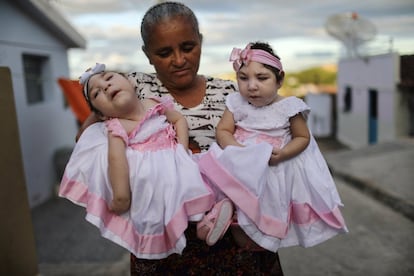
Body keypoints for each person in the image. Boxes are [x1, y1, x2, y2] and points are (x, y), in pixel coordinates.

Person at [78, 2, 285, 274]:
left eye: (188, 47)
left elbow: (271, 135)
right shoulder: (129, 87)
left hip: (237, 244)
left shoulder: (232, 93)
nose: (178, 60)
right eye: (164, 52)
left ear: (200, 41)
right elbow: (88, 140)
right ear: (147, 54)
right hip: (161, 245)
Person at [59, 63, 234, 260]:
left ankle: (211, 218)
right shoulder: (117, 127)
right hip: (157, 174)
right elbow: (117, 161)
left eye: (109, 79)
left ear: (130, 83)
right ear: (101, 114)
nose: (106, 87)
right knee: (167, 198)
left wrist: (182, 149)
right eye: (96, 93)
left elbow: (178, 119)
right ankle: (201, 225)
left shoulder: (153, 103)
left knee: (209, 171)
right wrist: (121, 196)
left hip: (177, 159)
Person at [198, 42, 348, 253]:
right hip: (239, 157)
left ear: (280, 80)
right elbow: (223, 130)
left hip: (269, 164)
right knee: (215, 178)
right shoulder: (236, 102)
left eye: (262, 78)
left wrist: (285, 153)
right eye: (243, 78)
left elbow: (302, 137)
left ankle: (240, 225)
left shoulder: (288, 107)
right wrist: (237, 150)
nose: (251, 86)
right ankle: (218, 214)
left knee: (261, 204)